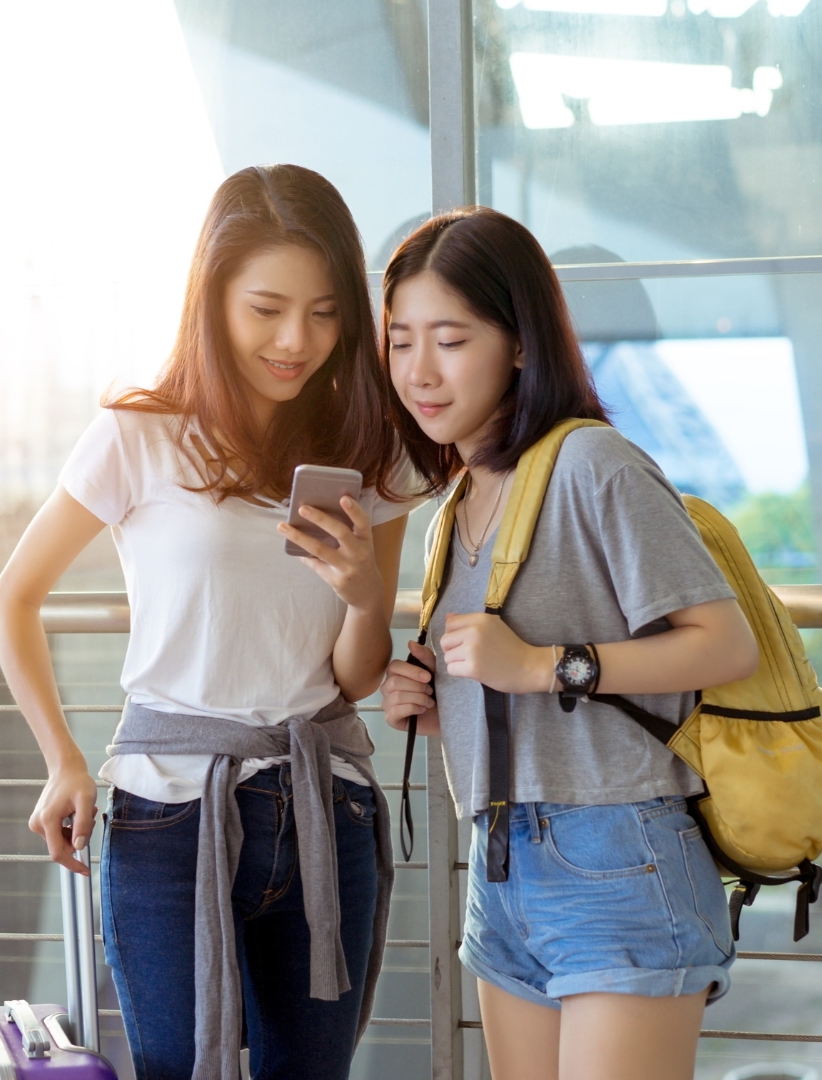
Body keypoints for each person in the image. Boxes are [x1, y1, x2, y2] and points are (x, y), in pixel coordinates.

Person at [0, 164, 423, 1080]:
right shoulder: (138, 433)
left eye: (323, 312)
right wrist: (64, 760)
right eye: (266, 307)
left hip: (326, 800)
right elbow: (15, 595)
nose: (295, 339)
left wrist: (359, 593)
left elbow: (355, 675)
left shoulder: (368, 448)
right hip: (166, 811)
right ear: (212, 296)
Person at [379, 207, 759, 1080]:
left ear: (520, 344)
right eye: (401, 341)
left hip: (617, 855)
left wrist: (543, 665)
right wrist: (441, 704)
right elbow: (524, 691)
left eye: (449, 338)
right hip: (500, 866)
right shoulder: (455, 507)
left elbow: (723, 641)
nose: (419, 371)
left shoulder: (594, 464)